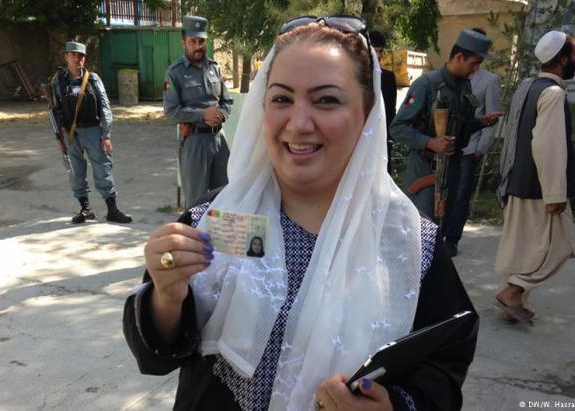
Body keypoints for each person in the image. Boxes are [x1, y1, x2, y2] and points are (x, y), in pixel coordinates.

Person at [124, 16, 478, 411]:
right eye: (281, 99)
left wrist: (394, 405)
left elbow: (446, 364)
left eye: (326, 99)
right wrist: (167, 295)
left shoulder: (410, 244)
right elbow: (157, 355)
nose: (299, 122)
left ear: (367, 114)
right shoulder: (213, 218)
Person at [390, 29, 502, 256]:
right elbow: (397, 128)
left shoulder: (464, 86)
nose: (475, 69)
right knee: (421, 233)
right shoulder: (426, 85)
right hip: (424, 168)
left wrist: (480, 123)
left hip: (452, 167)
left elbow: (459, 127)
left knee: (441, 231)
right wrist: (430, 142)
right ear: (459, 57)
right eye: (474, 63)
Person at [494, 30, 575, 326]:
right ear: (564, 59)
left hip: (517, 182)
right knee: (560, 245)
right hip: (540, 189)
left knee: (521, 248)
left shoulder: (527, 86)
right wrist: (556, 193)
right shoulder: (553, 94)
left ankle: (512, 307)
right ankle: (512, 292)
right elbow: (548, 144)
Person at [50, 41, 132, 224]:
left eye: (80, 56)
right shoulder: (58, 81)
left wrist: (106, 135)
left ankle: (112, 210)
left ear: (84, 59)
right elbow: (55, 107)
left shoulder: (93, 79)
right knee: (75, 171)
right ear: (66, 57)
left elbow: (104, 106)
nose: (77, 59)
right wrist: (60, 133)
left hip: (93, 130)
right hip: (71, 134)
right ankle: (85, 209)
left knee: (103, 168)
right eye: (73, 55)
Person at [442, 28, 502, 256]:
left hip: (470, 148)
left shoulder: (490, 80)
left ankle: (452, 239)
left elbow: (492, 114)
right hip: (447, 149)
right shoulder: (451, 78)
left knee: (460, 197)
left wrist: (481, 149)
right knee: (443, 196)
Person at [163, 15, 233, 208]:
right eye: (193, 41)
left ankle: (219, 238)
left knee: (225, 197)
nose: (198, 46)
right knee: (196, 203)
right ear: (184, 42)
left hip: (219, 141)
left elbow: (227, 100)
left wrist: (221, 115)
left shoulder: (214, 68)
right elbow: (170, 111)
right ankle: (195, 238)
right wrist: (202, 115)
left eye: (201, 41)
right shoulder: (175, 72)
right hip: (195, 142)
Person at [369, 31, 398, 174]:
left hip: (382, 138)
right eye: (375, 50)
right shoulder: (356, 77)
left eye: (381, 51)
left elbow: (391, 109)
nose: (379, 55)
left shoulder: (388, 77)